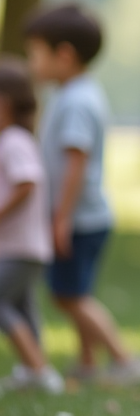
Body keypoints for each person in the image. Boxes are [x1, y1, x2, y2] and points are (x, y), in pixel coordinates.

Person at [23, 3, 140, 386]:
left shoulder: (77, 101)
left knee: (68, 296)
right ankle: (86, 361)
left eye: (35, 53)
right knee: (75, 290)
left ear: (64, 55)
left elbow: (75, 164)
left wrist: (60, 218)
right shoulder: (75, 94)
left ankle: (124, 359)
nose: (31, 63)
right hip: (87, 216)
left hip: (78, 218)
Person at [0, 56, 63, 394]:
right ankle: (34, 369)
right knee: (21, 305)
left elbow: (27, 183)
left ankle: (39, 370)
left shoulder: (14, 141)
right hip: (22, 247)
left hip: (19, 247)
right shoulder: (11, 140)